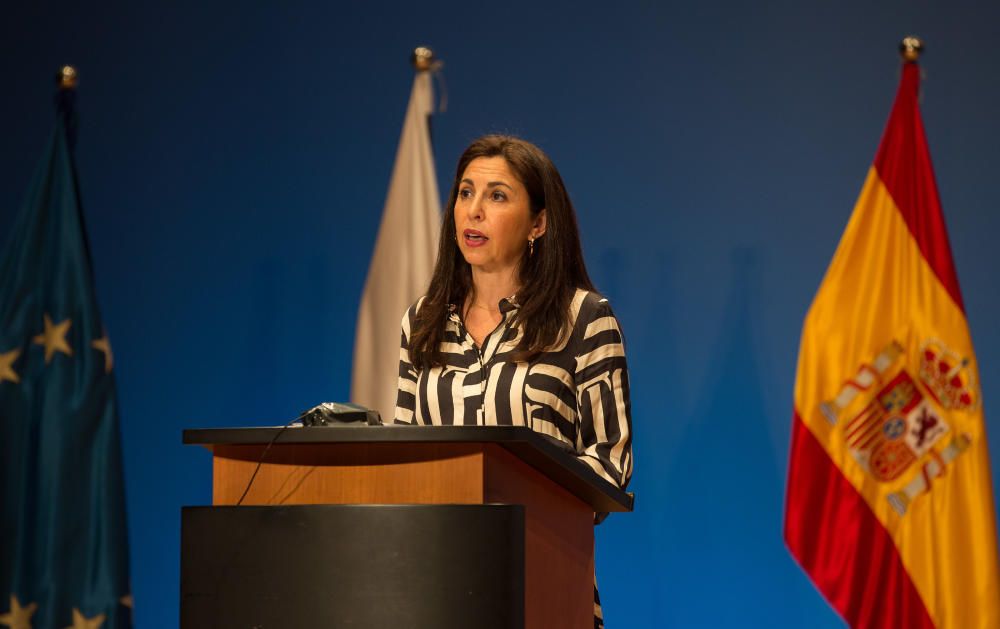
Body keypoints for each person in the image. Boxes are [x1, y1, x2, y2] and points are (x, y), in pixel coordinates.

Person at [394, 134, 632, 628]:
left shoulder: (584, 319)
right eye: (465, 192)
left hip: (545, 585)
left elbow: (611, 464)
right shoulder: (421, 321)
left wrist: (518, 510)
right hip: (437, 589)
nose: (473, 211)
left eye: (497, 196)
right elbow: (404, 455)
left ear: (539, 223)